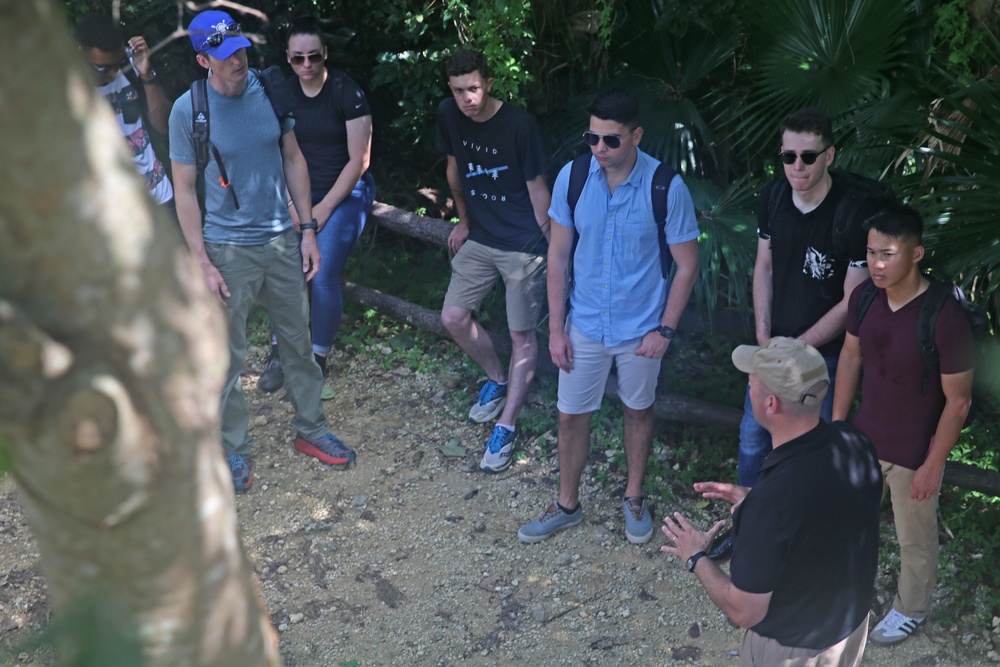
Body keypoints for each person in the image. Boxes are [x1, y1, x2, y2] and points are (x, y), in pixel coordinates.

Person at [168, 9, 355, 492]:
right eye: (225, 54)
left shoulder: (271, 90)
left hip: (281, 241)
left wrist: (308, 229)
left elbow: (294, 158)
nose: (238, 61)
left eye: (241, 49)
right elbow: (184, 190)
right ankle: (232, 451)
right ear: (203, 59)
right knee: (227, 359)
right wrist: (201, 261)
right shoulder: (189, 110)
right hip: (226, 249)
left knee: (298, 342)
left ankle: (311, 430)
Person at [518, 89, 700, 544]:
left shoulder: (666, 187)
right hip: (584, 325)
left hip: (641, 328)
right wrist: (556, 329)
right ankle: (567, 504)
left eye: (610, 141)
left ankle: (634, 495)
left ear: (636, 135)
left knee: (638, 412)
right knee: (569, 416)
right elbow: (557, 258)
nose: (599, 149)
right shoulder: (573, 177)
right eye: (592, 138)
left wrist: (665, 329)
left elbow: (688, 265)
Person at [712, 107, 881, 561]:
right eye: (789, 156)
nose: (798, 167)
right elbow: (763, 267)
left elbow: (853, 300)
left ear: (830, 155)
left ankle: (804, 543)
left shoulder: (850, 211)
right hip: (774, 349)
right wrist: (766, 342)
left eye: (808, 156)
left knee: (809, 450)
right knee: (753, 438)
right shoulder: (773, 196)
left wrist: (796, 349)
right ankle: (748, 526)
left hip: (820, 357)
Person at [662, 337, 882, 666]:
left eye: (751, 383)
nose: (748, 390)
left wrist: (695, 556)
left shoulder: (772, 504)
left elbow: (745, 610)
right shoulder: (854, 443)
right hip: (847, 632)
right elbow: (832, 510)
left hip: (792, 653)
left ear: (770, 404)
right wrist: (754, 501)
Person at [833, 204, 974, 645]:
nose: (876, 263)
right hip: (863, 438)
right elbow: (851, 356)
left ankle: (910, 609)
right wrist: (838, 426)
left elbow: (959, 402)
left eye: (888, 254)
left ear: (916, 254)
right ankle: (848, 596)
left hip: (914, 449)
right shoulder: (865, 297)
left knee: (915, 538)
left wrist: (935, 463)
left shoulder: (944, 317)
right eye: (872, 252)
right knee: (851, 524)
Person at [436, 49, 552, 473]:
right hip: (482, 235)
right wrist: (463, 218)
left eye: (473, 88)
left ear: (487, 82)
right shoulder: (449, 114)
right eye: (458, 90)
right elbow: (454, 170)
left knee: (523, 335)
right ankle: (498, 379)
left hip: (523, 244)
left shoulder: (520, 125)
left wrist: (553, 249)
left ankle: (507, 425)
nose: (466, 98)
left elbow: (539, 190)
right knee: (452, 316)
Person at [257, 18, 376, 393]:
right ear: (288, 59)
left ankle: (317, 358)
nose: (306, 66)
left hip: (344, 191)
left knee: (321, 272)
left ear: (324, 54)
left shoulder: (346, 92)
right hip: (297, 194)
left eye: (313, 57)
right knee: (284, 266)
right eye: (297, 59)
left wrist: (321, 213)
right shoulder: (281, 95)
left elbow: (360, 161)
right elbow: (275, 156)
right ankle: (280, 352)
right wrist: (295, 208)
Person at [76, 13, 175, 218]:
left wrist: (147, 75)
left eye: (117, 64)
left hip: (160, 198)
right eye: (103, 68)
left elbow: (164, 125)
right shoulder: (69, 88)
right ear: (83, 52)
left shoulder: (132, 65)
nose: (113, 73)